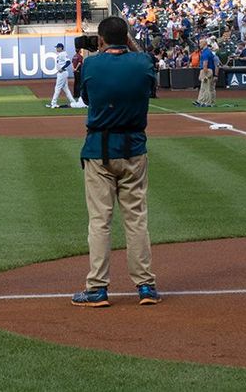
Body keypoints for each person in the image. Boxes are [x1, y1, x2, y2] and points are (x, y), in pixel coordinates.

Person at [72, 16, 160, 308]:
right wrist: (126, 41)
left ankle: (97, 287)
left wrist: (97, 51)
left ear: (100, 39)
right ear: (127, 37)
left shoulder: (91, 64)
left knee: (100, 222)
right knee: (136, 219)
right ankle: (145, 286)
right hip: (134, 148)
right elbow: (144, 69)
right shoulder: (143, 62)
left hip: (99, 149)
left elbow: (84, 97)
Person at [48, 43, 78, 108]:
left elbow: (68, 62)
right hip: (62, 73)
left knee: (57, 88)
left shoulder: (63, 53)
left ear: (61, 48)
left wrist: (62, 68)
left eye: (57, 47)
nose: (56, 48)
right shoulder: (60, 54)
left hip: (62, 73)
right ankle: (73, 102)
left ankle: (53, 103)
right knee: (66, 89)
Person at [194, 38, 218, 107]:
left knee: (206, 87)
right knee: (206, 87)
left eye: (200, 43)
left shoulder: (205, 53)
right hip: (208, 70)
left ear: (204, 43)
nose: (199, 45)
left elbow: (205, 64)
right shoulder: (208, 52)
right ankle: (203, 101)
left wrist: (204, 74)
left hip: (206, 70)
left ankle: (206, 102)